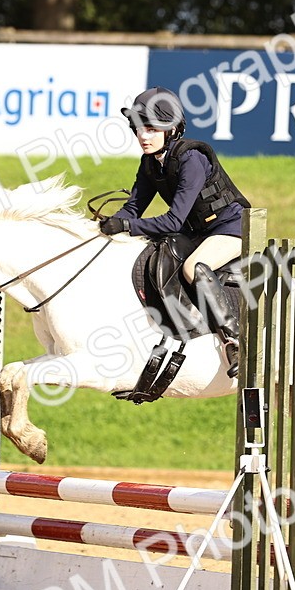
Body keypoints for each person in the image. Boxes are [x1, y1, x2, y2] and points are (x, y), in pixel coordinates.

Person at [99, 87, 250, 377]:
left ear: (171, 130)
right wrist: (105, 228)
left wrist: (127, 227)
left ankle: (234, 341)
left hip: (231, 227)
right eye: (138, 129)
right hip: (199, 231)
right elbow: (133, 209)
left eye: (151, 129)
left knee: (194, 267)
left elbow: (172, 220)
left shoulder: (191, 159)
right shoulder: (150, 163)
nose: (143, 136)